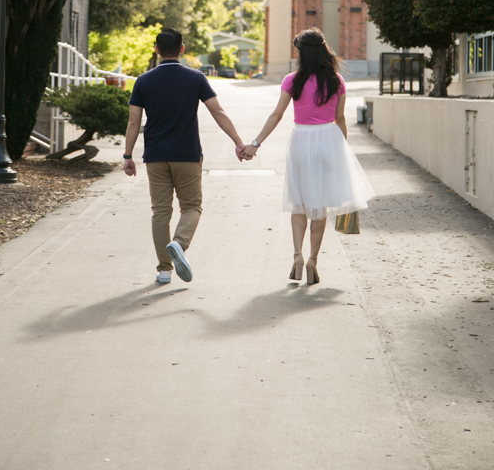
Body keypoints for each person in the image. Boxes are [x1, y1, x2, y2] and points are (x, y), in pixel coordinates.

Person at [241, 27, 374, 285]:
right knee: (320, 205)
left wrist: (256, 143)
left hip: (301, 140)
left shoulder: (293, 80)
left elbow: (277, 114)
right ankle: (314, 260)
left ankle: (297, 256)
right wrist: (342, 151)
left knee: (299, 202)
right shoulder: (336, 80)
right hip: (329, 140)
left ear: (302, 53)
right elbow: (340, 119)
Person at [123, 28, 247, 284]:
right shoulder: (196, 78)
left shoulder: (143, 81)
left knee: (160, 212)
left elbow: (134, 122)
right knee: (191, 207)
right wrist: (238, 142)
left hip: (155, 155)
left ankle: (164, 270)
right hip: (187, 155)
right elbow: (218, 112)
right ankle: (179, 243)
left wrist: (127, 155)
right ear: (182, 48)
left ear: (156, 49)